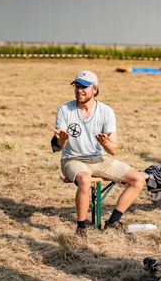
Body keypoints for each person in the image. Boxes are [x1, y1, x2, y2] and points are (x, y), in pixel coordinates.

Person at [54, 70, 145, 234]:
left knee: (138, 180)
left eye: (84, 87)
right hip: (73, 159)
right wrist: (62, 139)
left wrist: (104, 142)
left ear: (94, 89)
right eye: (76, 86)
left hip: (98, 159)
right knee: (85, 179)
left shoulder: (106, 112)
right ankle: (81, 228)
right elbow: (57, 147)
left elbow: (113, 150)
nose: (79, 90)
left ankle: (112, 222)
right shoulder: (65, 110)